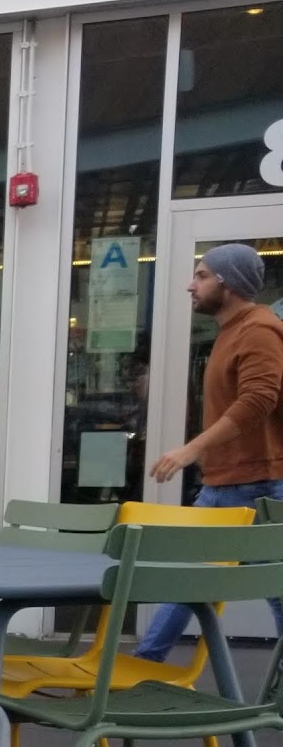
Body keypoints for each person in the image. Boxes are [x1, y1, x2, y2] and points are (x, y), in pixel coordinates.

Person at [138, 242, 283, 661]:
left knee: (274, 591)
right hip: (226, 482)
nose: (191, 285)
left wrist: (191, 449)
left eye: (201, 276)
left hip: (258, 484)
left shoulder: (259, 329)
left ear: (228, 283)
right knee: (189, 582)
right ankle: (141, 666)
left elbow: (259, 400)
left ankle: (142, 664)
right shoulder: (232, 331)